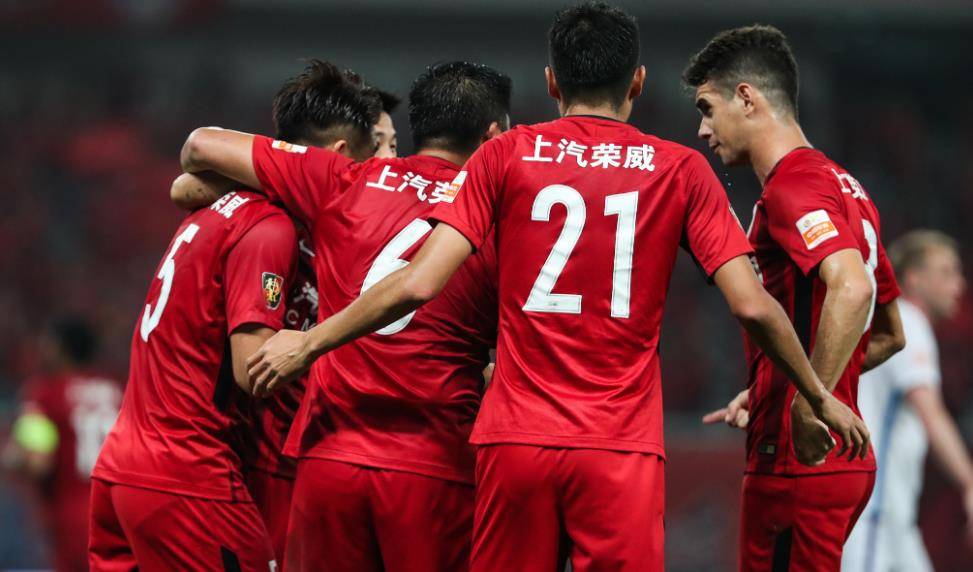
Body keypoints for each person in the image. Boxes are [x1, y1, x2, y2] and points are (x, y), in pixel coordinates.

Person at [242, 4, 866, 570]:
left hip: (515, 441)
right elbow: (751, 305)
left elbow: (420, 281)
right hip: (619, 449)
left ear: (551, 82)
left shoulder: (504, 155)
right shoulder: (681, 169)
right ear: (638, 82)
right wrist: (816, 394)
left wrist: (310, 342)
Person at [178, 60, 507, 571]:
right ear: (492, 137)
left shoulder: (342, 178)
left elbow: (199, 148)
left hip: (329, 459)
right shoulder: (499, 217)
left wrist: (255, 185)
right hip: (433, 464)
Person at [88, 62, 379, 571]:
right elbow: (251, 369)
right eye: (364, 163)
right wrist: (340, 344)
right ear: (337, 156)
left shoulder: (217, 207)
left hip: (122, 466)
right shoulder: (270, 230)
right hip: (190, 476)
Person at [685, 24, 903, 571]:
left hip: (797, 463)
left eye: (708, 109)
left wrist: (809, 403)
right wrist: (779, 382)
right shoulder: (847, 186)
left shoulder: (793, 187)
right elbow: (888, 335)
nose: (702, 129)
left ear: (747, 98)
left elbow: (852, 288)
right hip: (838, 464)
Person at [172, 59, 388, 569]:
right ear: (340, 155)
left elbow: (185, 186)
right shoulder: (274, 225)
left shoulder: (322, 217)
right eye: (377, 149)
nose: (385, 165)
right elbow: (192, 161)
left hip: (311, 460)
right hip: (270, 463)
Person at [843, 230, 973, 572]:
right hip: (873, 513)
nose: (958, 284)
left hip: (893, 516)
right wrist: (968, 482)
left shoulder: (897, 321)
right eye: (946, 272)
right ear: (914, 278)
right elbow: (930, 411)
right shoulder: (907, 322)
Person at [3, 318, 122, 572]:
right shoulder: (116, 389)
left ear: (60, 349)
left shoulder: (46, 393)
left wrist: (12, 457)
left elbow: (38, 462)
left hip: (73, 519)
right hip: (121, 513)